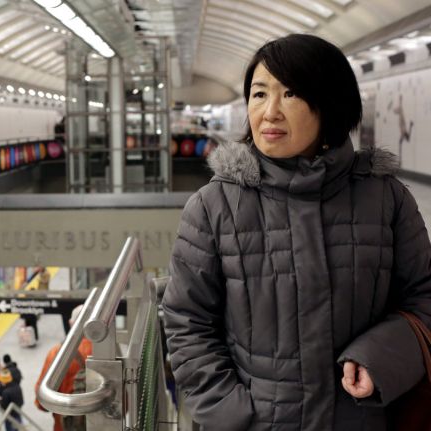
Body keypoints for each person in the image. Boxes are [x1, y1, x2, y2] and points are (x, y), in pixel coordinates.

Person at [162, 34, 431, 431]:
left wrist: (382, 358)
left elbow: (425, 297)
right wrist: (228, 412)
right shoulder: (214, 206)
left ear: (330, 104)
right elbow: (187, 320)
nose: (269, 112)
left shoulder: (386, 200)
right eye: (258, 94)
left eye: (290, 94)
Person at [35, 306, 92, 431]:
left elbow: (42, 402)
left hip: (66, 426)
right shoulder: (110, 351)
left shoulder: (57, 353)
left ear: (71, 323)